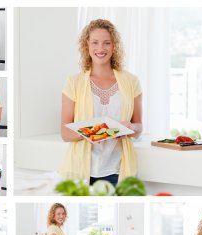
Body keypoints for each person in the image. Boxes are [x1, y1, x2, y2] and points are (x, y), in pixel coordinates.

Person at [60, 19, 143, 187]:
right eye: (95, 42)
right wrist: (94, 132)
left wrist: (131, 128)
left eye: (107, 43)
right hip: (79, 170)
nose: (100, 49)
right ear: (87, 46)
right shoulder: (73, 83)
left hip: (117, 171)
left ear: (114, 46)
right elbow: (65, 133)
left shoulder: (131, 81)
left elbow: (139, 126)